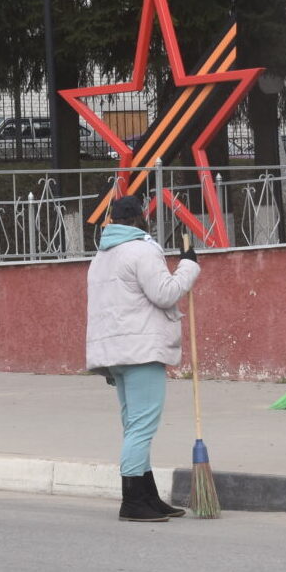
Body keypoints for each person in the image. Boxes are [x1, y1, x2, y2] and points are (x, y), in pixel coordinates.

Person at [85, 195, 200, 522]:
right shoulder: (141, 250)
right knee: (142, 427)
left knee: (134, 426)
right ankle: (133, 501)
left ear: (112, 221)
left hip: (115, 352)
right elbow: (165, 293)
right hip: (141, 350)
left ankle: (148, 495)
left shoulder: (101, 256)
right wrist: (188, 266)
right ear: (140, 219)